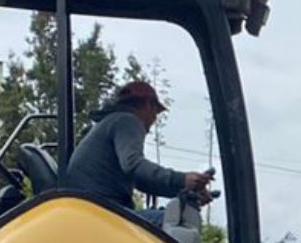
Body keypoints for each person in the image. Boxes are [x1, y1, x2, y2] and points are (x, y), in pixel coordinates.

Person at [61, 79, 211, 226]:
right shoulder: (128, 121)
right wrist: (182, 179)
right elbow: (133, 164)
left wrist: (186, 189)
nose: (153, 120)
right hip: (103, 212)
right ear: (148, 105)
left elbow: (141, 181)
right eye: (156, 113)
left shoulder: (110, 123)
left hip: (92, 210)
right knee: (180, 220)